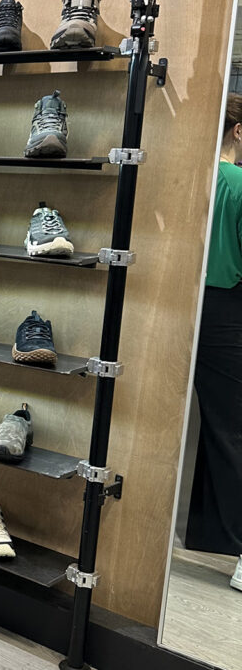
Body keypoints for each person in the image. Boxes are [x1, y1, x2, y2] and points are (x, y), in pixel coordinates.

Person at [186, 91, 242, 592]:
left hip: (182, 308)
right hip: (228, 311)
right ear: (238, 132)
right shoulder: (240, 182)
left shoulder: (189, 181)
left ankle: (212, 536)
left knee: (217, 429)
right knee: (233, 430)